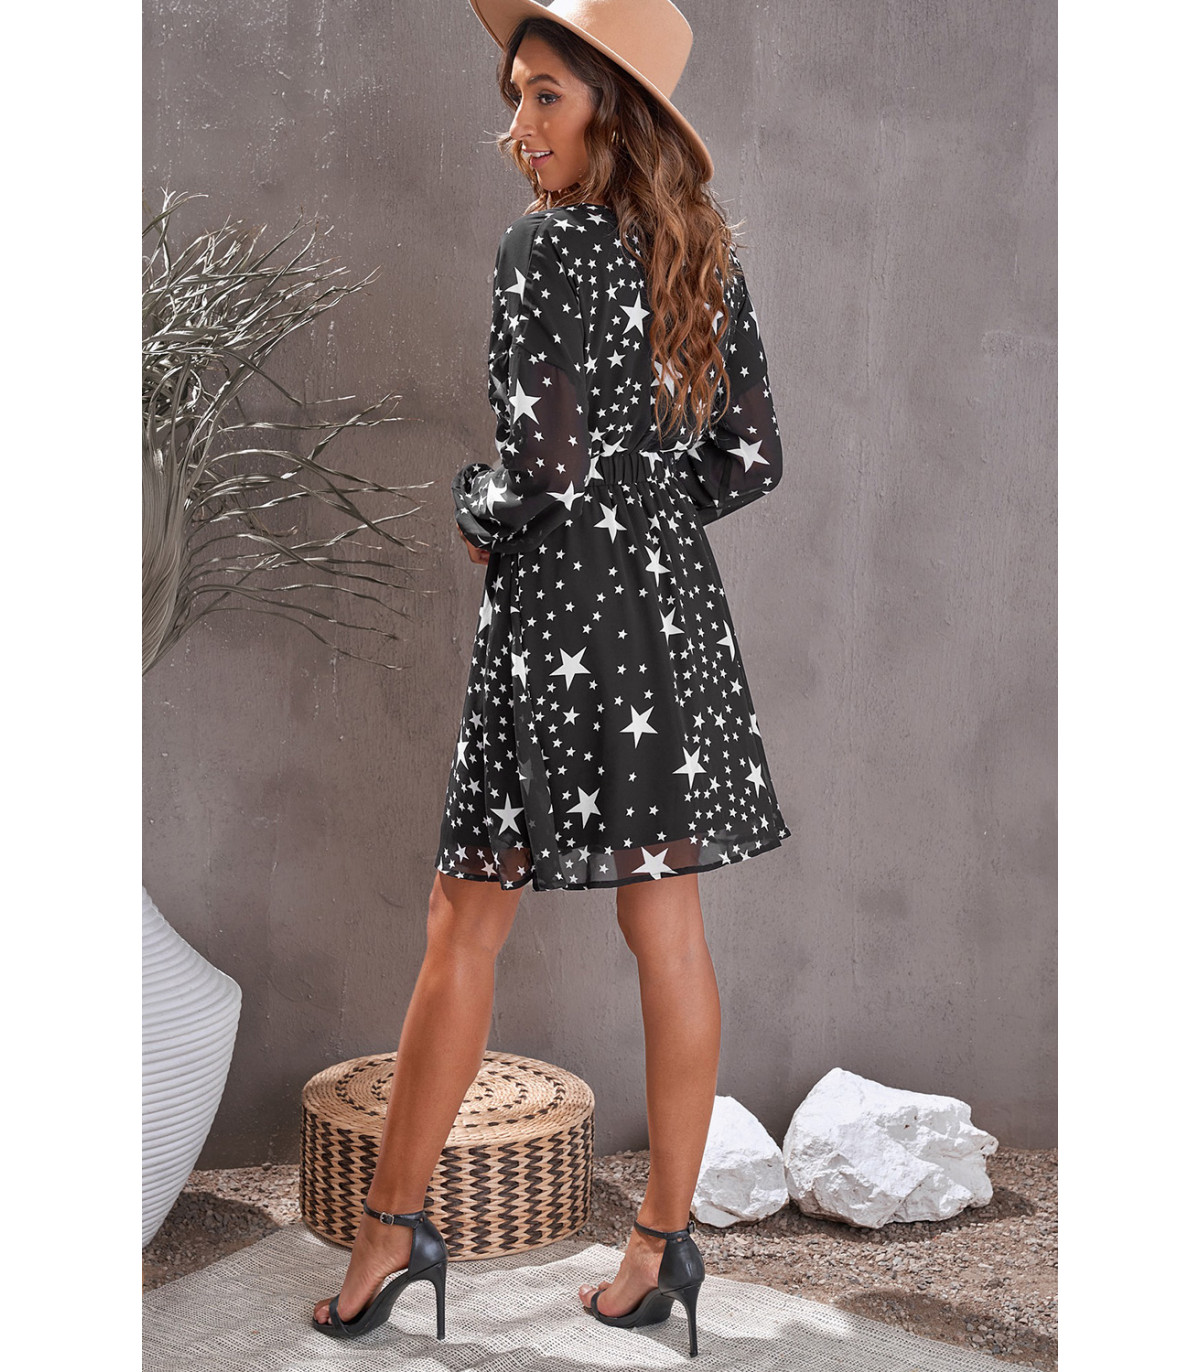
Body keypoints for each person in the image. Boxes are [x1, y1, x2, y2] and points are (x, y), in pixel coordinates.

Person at [313, 0, 790, 1357]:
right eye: (515, 97)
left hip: (559, 616)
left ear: (610, 111)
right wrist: (647, 515)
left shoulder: (543, 245)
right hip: (670, 616)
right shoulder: (700, 250)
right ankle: (663, 1244)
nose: (518, 127)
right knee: (669, 926)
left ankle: (393, 1234)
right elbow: (752, 457)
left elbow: (541, 467)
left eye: (545, 98)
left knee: (464, 918)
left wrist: (478, 502)